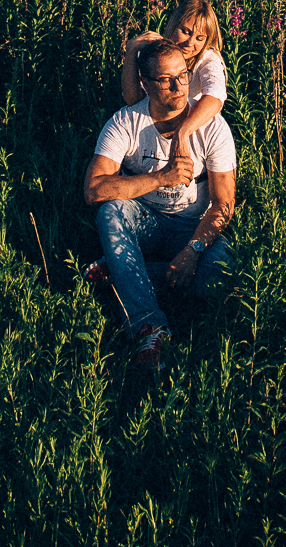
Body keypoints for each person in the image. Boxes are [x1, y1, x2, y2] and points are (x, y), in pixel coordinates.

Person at [86, 38, 237, 370]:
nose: (178, 86)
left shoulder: (212, 127)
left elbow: (224, 204)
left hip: (193, 229)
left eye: (183, 75)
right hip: (148, 221)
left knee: (224, 271)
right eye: (166, 79)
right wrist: (160, 178)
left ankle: (123, 273)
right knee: (111, 211)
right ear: (145, 83)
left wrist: (192, 250)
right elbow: (94, 190)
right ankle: (150, 326)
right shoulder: (126, 122)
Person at [118, 0, 228, 161]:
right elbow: (133, 99)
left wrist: (183, 132)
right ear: (172, 25)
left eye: (200, 38)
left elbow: (215, 96)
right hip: (148, 133)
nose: (190, 43)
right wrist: (132, 51)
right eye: (185, 32)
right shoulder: (155, 53)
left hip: (192, 140)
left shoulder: (208, 60)